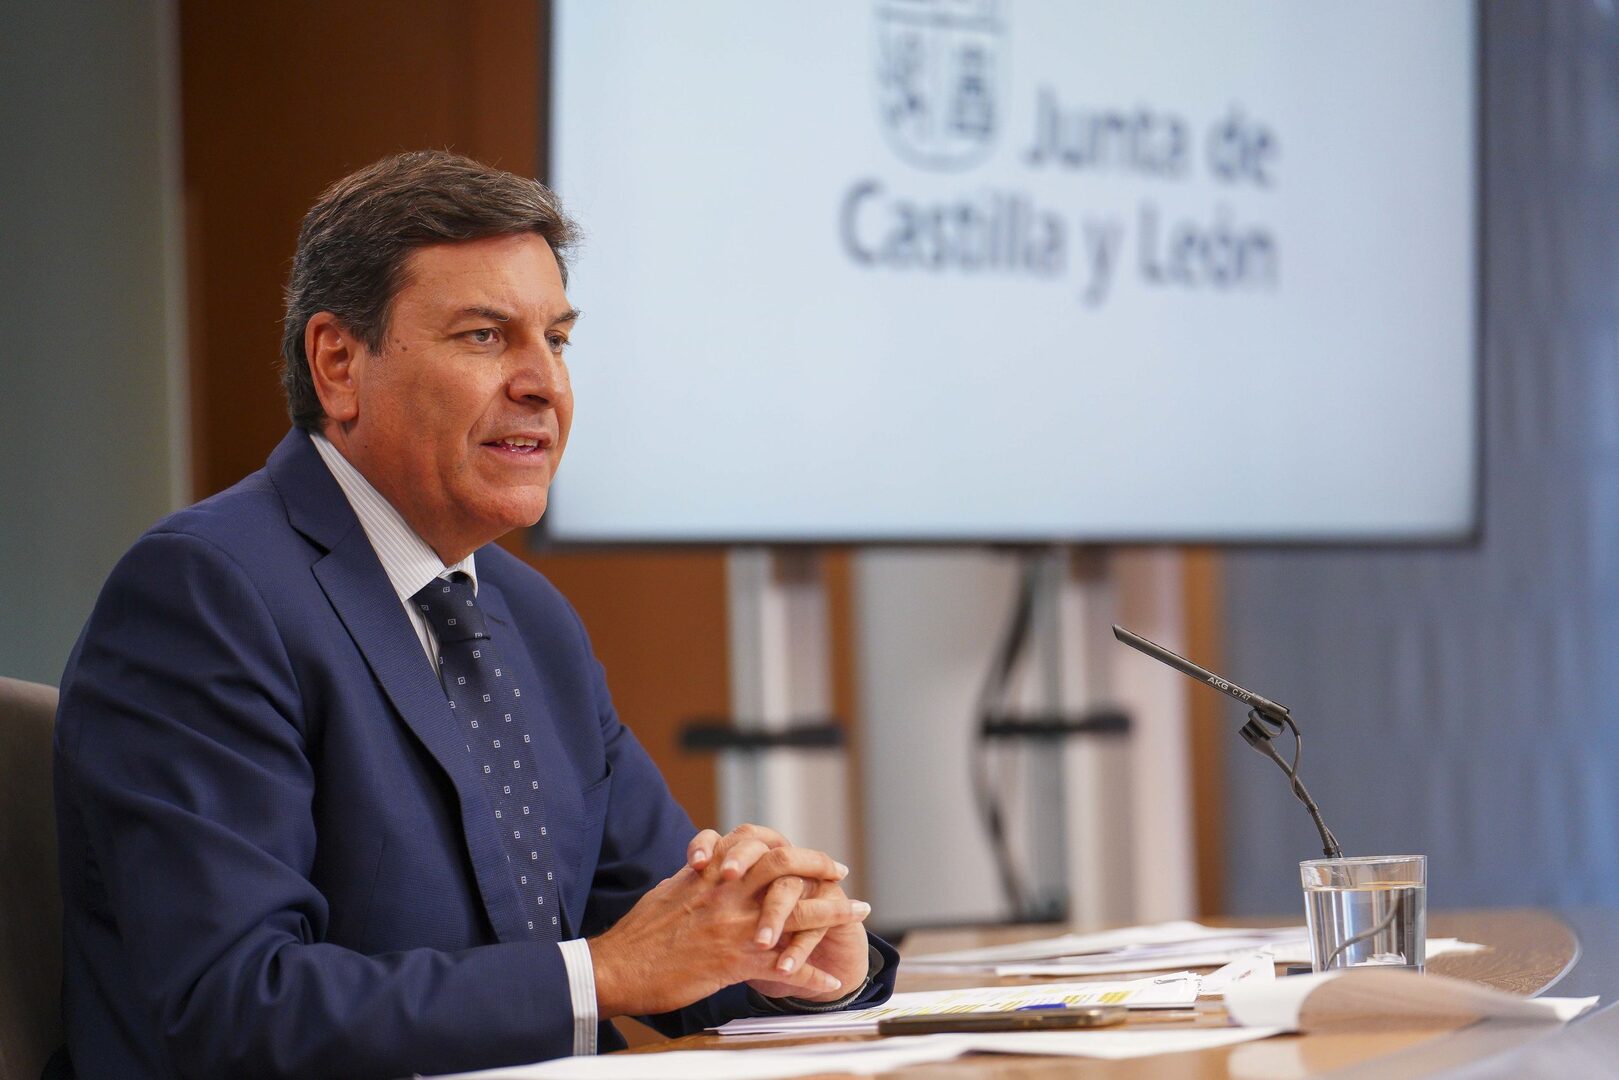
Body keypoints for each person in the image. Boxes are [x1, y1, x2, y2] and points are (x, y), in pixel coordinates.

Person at [53, 151, 896, 1080]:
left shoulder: (529, 617)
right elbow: (235, 1004)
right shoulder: (205, 592)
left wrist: (793, 954)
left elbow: (664, 928)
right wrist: (605, 973)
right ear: (338, 364)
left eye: (557, 340)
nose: (544, 384)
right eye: (487, 336)